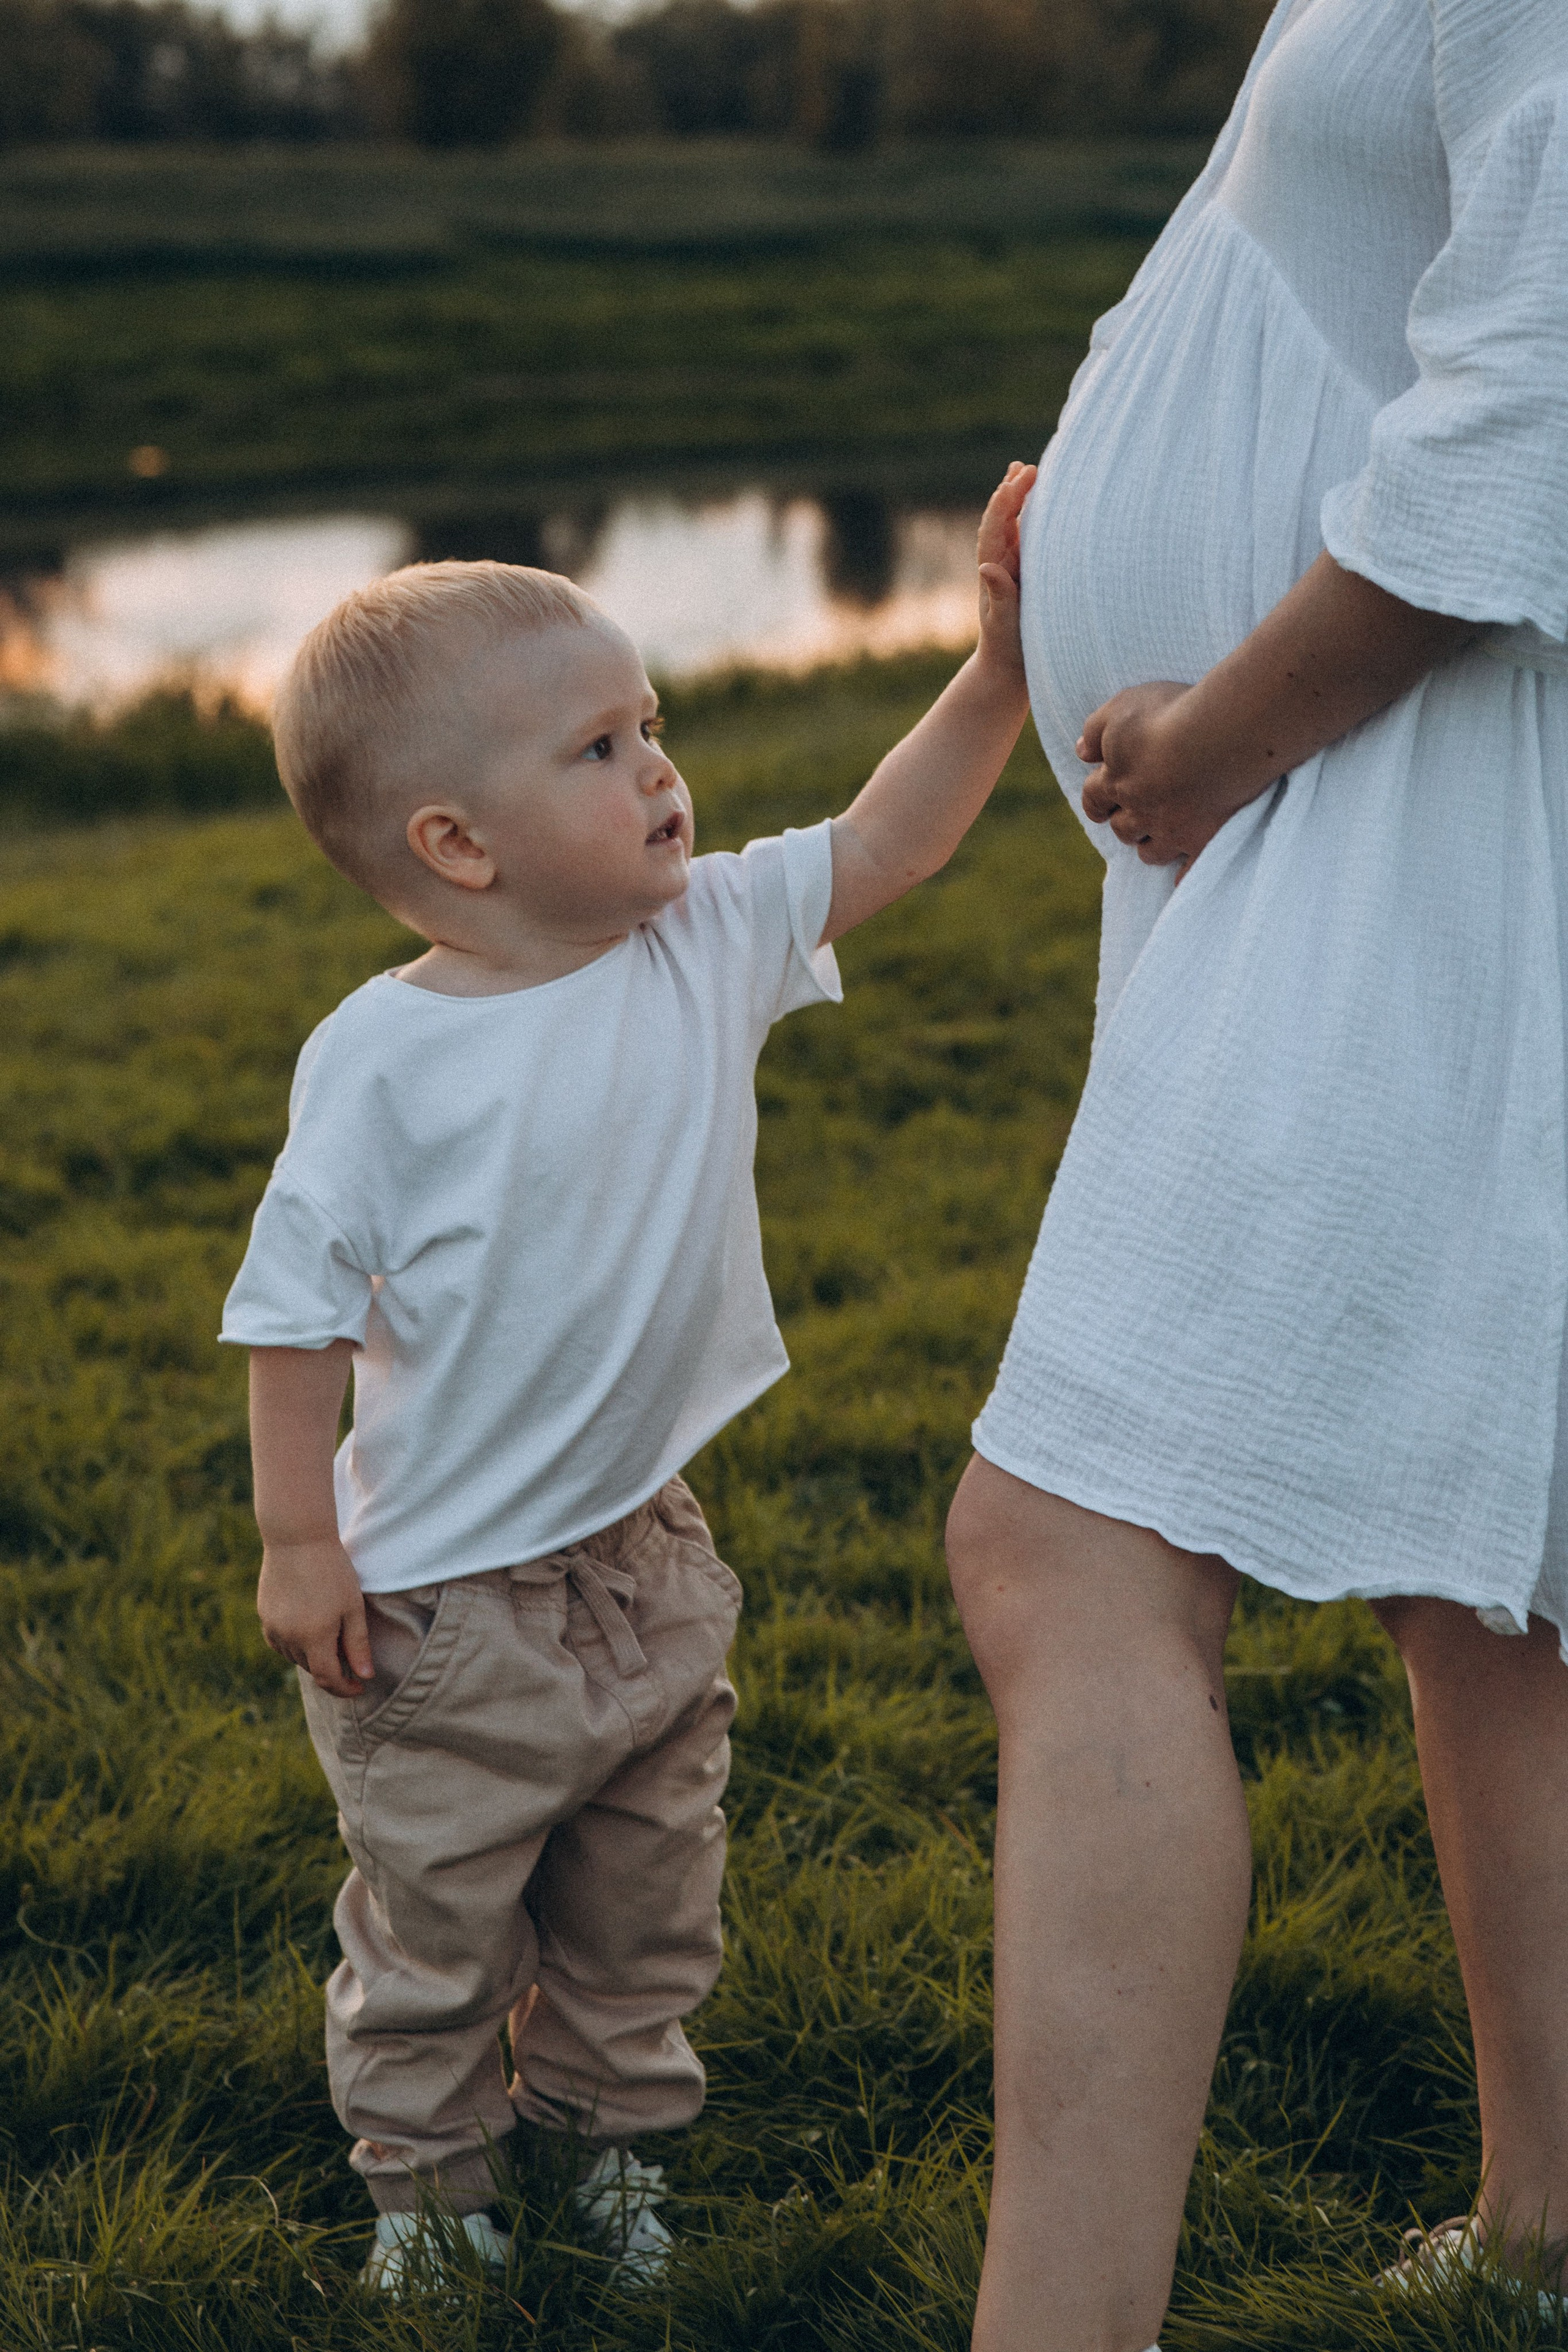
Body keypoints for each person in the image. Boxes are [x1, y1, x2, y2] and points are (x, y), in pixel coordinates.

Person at [219, 461, 1036, 2292]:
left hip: (642, 1556)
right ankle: (431, 2206)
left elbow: (887, 845)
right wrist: (299, 1545)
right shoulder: (379, 1065)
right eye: (599, 748)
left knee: (649, 1910)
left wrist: (993, 672)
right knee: (438, 1932)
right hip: (438, 1615)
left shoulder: (703, 938)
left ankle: (607, 2158)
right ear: (456, 845)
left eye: (651, 724)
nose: (660, 768)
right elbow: (291, 1314)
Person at [943, 2, 1568, 2348]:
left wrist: (1209, 732)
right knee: (1492, 1572)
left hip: (1409, 774)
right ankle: (1547, 2235)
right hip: (1349, 786)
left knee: (1062, 1538)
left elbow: (1534, 416)